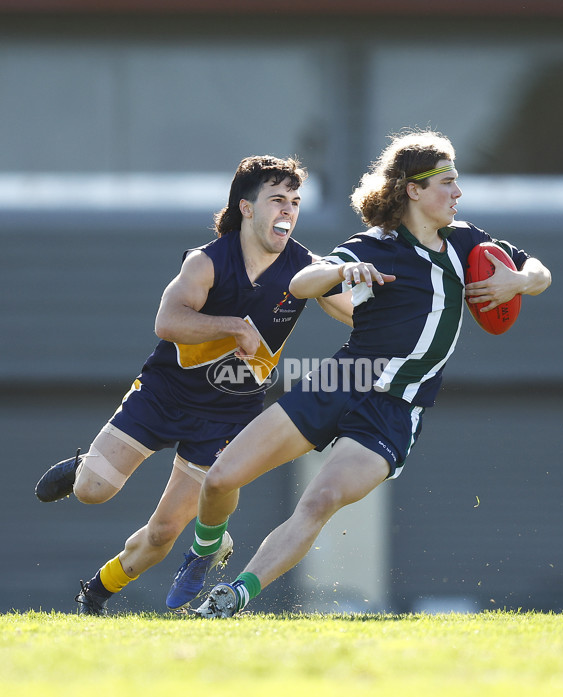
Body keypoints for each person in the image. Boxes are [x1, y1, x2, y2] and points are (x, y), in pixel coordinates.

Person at [167, 128, 552, 618]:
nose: (458, 193)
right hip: (341, 381)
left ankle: (234, 595)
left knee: (319, 500)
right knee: (219, 479)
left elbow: (541, 272)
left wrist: (519, 279)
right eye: (448, 183)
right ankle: (205, 550)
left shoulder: (467, 246)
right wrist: (340, 273)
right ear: (413, 189)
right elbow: (303, 281)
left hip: (395, 409)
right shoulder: (376, 244)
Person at [34, 154, 353, 616]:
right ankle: (88, 465)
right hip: (164, 395)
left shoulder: (306, 269)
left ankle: (98, 591)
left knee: (163, 534)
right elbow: (168, 320)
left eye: (295, 202)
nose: (288, 211)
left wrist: (371, 285)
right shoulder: (208, 262)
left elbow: (352, 312)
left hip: (228, 413)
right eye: (277, 199)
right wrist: (234, 327)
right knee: (92, 490)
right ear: (246, 207)